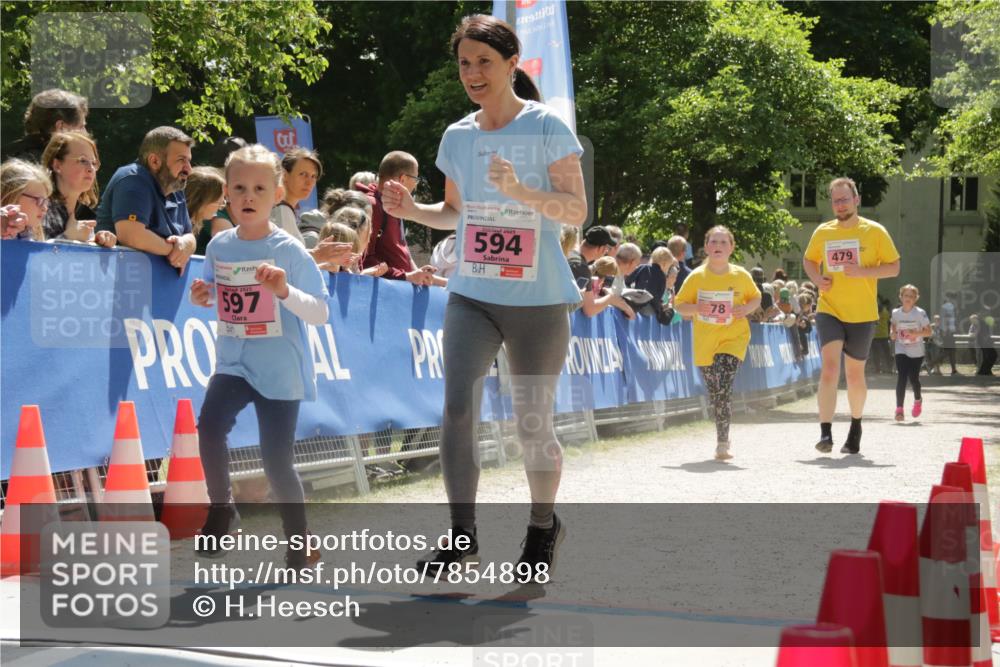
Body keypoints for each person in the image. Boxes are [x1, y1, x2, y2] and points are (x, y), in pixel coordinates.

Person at [380, 14, 588, 581]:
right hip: (472, 291)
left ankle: (543, 527)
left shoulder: (546, 126)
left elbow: (576, 211)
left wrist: (521, 190)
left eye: (484, 62)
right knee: (456, 408)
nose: (473, 73)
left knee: (531, 423)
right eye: (465, 63)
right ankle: (462, 534)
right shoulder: (457, 135)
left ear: (511, 63)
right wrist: (410, 211)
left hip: (538, 299)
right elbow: (454, 213)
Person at [189, 144, 329, 570]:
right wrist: (204, 296)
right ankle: (222, 508)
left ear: (276, 193)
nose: (249, 197)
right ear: (226, 194)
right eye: (240, 188)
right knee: (210, 427)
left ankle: (300, 542)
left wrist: (284, 291)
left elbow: (320, 312)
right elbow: (217, 293)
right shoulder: (219, 246)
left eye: (260, 189)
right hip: (233, 361)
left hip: (279, 368)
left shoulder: (289, 250)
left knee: (276, 461)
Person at [803, 177, 900, 455]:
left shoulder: (875, 231)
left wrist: (863, 272)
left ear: (856, 200)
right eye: (836, 200)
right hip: (829, 308)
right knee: (831, 368)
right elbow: (809, 260)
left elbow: (893, 267)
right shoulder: (823, 231)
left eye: (845, 199)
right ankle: (825, 433)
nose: (840, 205)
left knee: (855, 375)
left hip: (862, 314)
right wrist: (817, 279)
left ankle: (856, 427)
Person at [674, 226, 761, 461]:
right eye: (714, 242)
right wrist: (696, 308)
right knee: (717, 393)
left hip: (734, 338)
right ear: (706, 246)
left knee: (724, 384)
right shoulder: (696, 277)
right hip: (705, 343)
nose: (718, 246)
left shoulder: (741, 275)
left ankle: (723, 443)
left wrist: (746, 308)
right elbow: (679, 305)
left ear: (731, 247)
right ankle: (722, 437)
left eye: (723, 242)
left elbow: (756, 297)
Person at [96, 126, 197, 274]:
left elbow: (190, 235)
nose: (189, 169)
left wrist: (185, 244)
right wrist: (175, 251)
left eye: (189, 161)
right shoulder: (133, 179)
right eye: (181, 160)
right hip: (118, 284)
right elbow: (131, 236)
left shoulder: (175, 187)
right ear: (154, 161)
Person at [357, 151, 438, 286]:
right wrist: (406, 276)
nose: (416, 185)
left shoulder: (394, 207)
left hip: (400, 288)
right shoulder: (372, 206)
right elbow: (364, 260)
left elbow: (402, 250)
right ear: (403, 179)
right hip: (386, 293)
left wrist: (417, 273)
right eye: (416, 179)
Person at [40, 131, 116, 247]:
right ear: (57, 165)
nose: (91, 168)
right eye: (83, 160)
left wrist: (98, 242)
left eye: (94, 163)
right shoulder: (40, 209)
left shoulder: (85, 214)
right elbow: (33, 259)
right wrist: (67, 238)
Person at [2, 89, 88, 163]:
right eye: (81, 127)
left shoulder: (8, 155)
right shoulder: (50, 167)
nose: (86, 133)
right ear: (61, 127)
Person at [568, 226, 634, 319]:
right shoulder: (581, 267)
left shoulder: (570, 254)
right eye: (606, 248)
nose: (606, 251)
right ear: (601, 249)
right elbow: (590, 309)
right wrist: (610, 298)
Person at [889, 284, 931, 422]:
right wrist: (893, 333)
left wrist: (916, 333)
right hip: (901, 348)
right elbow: (893, 326)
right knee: (901, 377)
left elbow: (929, 331)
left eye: (911, 297)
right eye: (906, 296)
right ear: (901, 297)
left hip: (916, 350)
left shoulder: (920, 313)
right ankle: (899, 409)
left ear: (915, 299)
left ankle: (918, 400)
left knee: (913, 378)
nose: (908, 299)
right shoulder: (896, 313)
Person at [271, 146, 319, 245]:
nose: (309, 182)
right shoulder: (281, 210)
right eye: (303, 174)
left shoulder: (284, 209)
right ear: (284, 175)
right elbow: (286, 255)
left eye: (313, 176)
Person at [0, 159, 52, 241]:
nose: (45, 208)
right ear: (12, 196)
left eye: (46, 202)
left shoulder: (31, 238)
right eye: (39, 200)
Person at [184, 167, 227, 255]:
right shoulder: (178, 227)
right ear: (202, 201)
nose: (220, 208)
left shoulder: (193, 224)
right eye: (218, 202)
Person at [871, 296, 892, 375]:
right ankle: (888, 368)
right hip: (883, 336)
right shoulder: (885, 312)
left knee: (876, 354)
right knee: (886, 353)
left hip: (875, 336)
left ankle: (877, 369)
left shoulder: (873, 313)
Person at [939, 291, 960, 375]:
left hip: (950, 331)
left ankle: (954, 369)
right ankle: (930, 364)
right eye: (952, 298)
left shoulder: (952, 306)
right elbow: (944, 319)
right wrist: (945, 330)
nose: (954, 300)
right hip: (947, 332)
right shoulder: (946, 307)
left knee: (951, 351)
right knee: (948, 351)